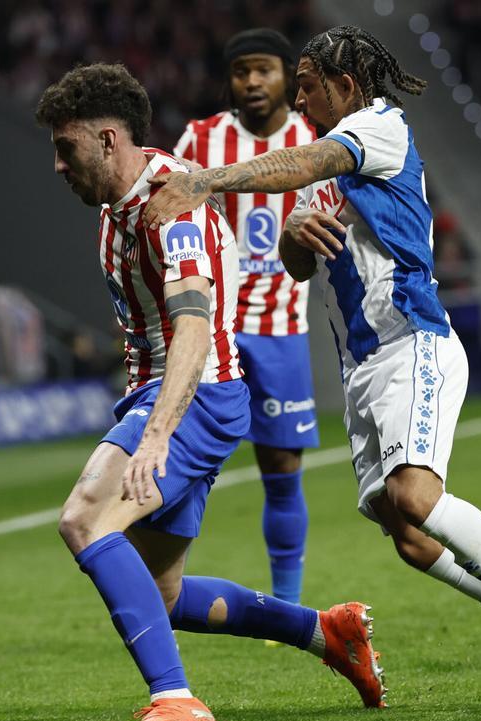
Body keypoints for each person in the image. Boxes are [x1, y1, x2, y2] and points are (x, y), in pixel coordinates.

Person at [144, 26, 481, 702]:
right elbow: (298, 261)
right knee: (410, 536)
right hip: (363, 366)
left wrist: (206, 180)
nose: (298, 96)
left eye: (307, 84)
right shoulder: (329, 170)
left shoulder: (379, 127)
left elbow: (303, 164)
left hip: (413, 342)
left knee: (415, 497)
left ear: (344, 84)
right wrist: (290, 236)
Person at [36, 64, 385, 721]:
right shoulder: (119, 205)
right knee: (160, 595)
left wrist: (159, 433)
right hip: (166, 394)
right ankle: (326, 632)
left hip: (195, 396)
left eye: (66, 147)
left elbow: (193, 326)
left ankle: (177, 700)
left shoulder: (172, 206)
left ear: (108, 140)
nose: (57, 164)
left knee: (85, 520)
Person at [174, 29, 319, 605]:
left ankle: (287, 602)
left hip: (283, 328)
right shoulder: (202, 139)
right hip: (217, 329)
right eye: (241, 72)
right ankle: (166, 586)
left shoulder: (315, 138)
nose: (252, 82)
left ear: (287, 74)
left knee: (281, 466)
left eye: (263, 71)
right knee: (184, 465)